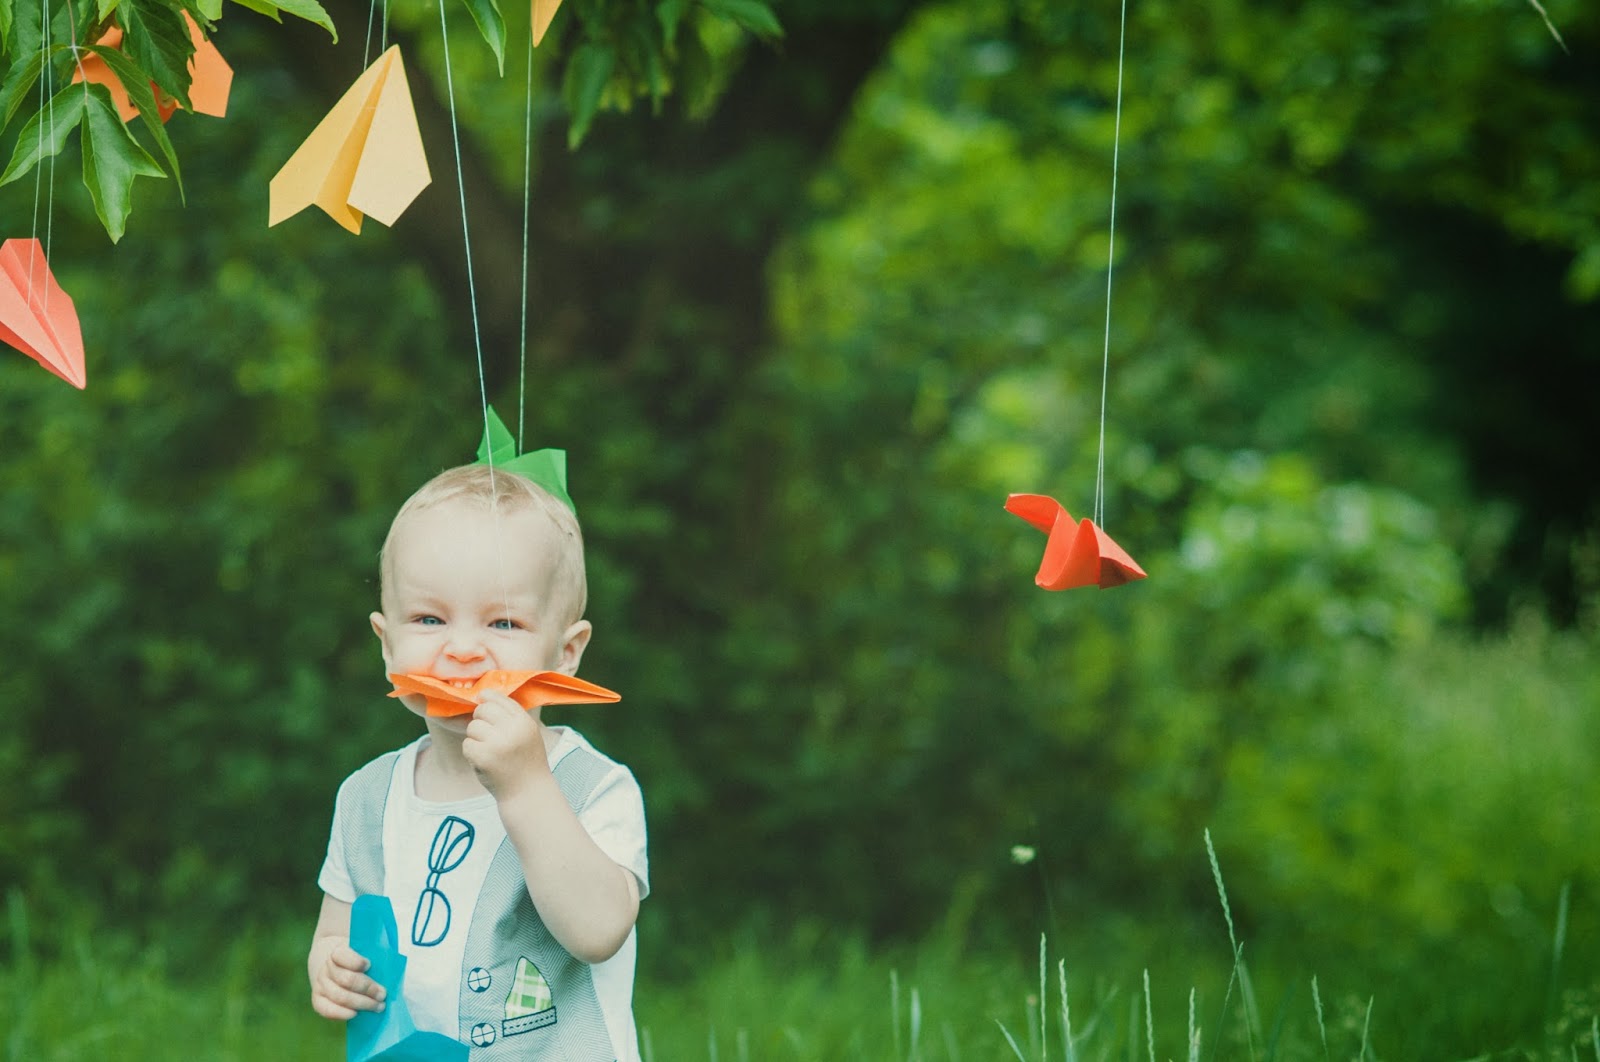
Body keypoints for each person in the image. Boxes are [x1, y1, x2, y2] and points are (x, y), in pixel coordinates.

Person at [307, 451, 648, 1060]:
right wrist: (332, 965)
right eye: (430, 618)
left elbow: (599, 932)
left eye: (505, 624)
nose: (463, 649)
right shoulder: (366, 797)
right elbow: (340, 928)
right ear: (387, 645)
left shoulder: (593, 786)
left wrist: (523, 786)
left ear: (566, 652)